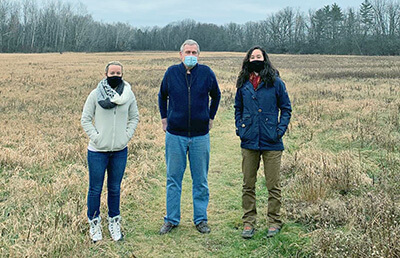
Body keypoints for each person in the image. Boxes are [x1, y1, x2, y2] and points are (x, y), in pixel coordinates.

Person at [158, 39, 221, 235]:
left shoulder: (206, 73)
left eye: (194, 52)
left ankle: (200, 219)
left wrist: (210, 117)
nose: (190, 55)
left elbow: (216, 96)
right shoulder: (171, 73)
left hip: (200, 135)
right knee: (173, 178)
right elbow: (162, 96)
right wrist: (164, 118)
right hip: (175, 134)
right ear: (180, 54)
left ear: (199, 55)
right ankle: (171, 219)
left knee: (200, 179)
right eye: (187, 52)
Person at [234, 46, 292, 239]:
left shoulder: (275, 82)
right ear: (248, 60)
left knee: (273, 185)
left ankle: (274, 222)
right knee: (248, 184)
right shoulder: (243, 83)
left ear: (265, 59)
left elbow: (286, 108)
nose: (255, 59)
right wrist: (241, 128)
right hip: (249, 140)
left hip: (271, 141)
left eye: (259, 56)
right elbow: (238, 108)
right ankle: (249, 222)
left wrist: (279, 131)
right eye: (252, 56)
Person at [81, 61, 139, 242]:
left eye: (118, 73)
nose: (115, 75)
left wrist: (126, 136)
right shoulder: (94, 95)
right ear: (105, 74)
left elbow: (134, 117)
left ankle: (114, 222)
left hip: (119, 151)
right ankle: (94, 222)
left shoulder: (128, 95)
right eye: (112, 72)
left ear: (122, 74)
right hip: (97, 151)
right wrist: (96, 137)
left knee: (114, 189)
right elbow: (85, 119)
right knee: (95, 189)